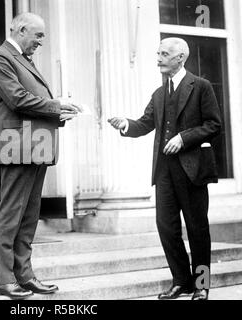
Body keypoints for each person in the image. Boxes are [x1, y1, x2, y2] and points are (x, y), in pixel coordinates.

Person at [109, 37, 221, 301]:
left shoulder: (201, 86)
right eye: (157, 53)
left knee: (197, 228)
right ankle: (181, 281)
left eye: (164, 54)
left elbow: (214, 125)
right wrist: (125, 123)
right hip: (164, 172)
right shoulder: (159, 93)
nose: (158, 57)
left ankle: (202, 284)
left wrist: (184, 137)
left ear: (180, 57)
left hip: (192, 171)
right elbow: (145, 124)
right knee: (166, 228)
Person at [0, 12, 79, 299]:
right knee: (11, 214)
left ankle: (24, 275)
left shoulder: (22, 59)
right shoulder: (0, 57)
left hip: (33, 144)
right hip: (17, 144)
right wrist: (56, 104)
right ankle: (4, 279)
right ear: (21, 29)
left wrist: (58, 112)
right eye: (38, 35)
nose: (41, 41)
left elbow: (29, 100)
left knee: (29, 215)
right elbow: (17, 98)